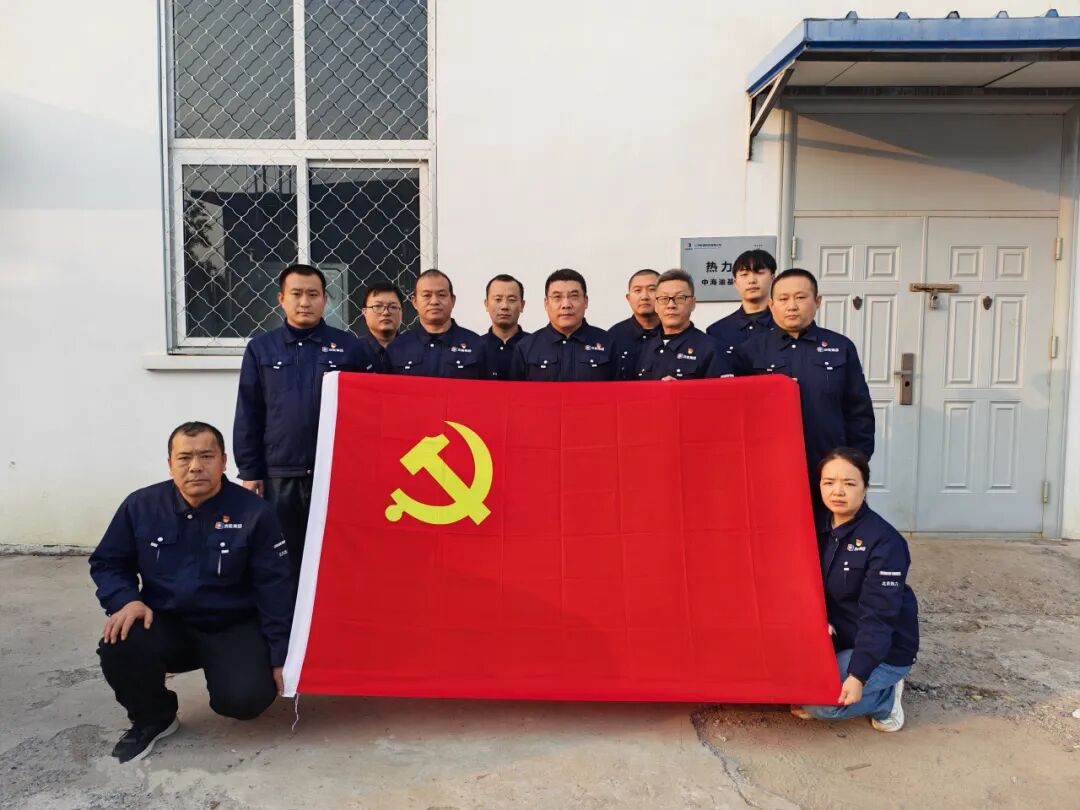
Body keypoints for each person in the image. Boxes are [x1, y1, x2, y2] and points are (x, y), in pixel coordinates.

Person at [90, 422, 295, 763]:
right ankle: (154, 718)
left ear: (224, 461)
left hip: (231, 625)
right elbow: (108, 562)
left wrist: (280, 655)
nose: (196, 466)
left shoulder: (254, 512)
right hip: (165, 621)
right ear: (170, 464)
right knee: (119, 640)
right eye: (184, 457)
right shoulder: (141, 505)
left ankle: (230, 671)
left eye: (206, 456)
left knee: (245, 701)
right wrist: (126, 600)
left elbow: (275, 587)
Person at [233, 263, 373, 571]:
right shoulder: (261, 348)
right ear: (281, 299)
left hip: (335, 472)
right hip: (280, 473)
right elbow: (249, 411)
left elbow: (367, 414)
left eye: (313, 294)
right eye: (296, 294)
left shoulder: (349, 347)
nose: (305, 302)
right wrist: (250, 471)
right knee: (281, 558)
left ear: (325, 299)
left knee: (335, 556)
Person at [733, 268, 874, 522]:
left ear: (817, 301)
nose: (792, 306)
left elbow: (859, 410)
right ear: (771, 305)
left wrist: (855, 462)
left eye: (800, 297)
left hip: (829, 467)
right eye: (784, 299)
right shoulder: (750, 351)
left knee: (830, 531)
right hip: (771, 466)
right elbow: (738, 414)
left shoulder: (840, 347)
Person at [794, 447, 919, 732]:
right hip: (841, 637)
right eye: (829, 482)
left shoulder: (885, 542)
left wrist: (858, 676)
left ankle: (886, 697)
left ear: (865, 488)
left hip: (884, 648)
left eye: (849, 483)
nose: (837, 491)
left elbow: (879, 616)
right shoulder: (815, 529)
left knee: (820, 705)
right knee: (792, 685)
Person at [510, 268, 617, 381]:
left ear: (586, 301)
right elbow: (514, 391)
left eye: (574, 296)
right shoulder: (526, 347)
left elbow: (619, 390)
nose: (566, 305)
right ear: (546, 303)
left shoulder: (608, 343)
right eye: (557, 297)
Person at [387, 268, 489, 378]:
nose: (434, 301)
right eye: (427, 295)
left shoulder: (476, 345)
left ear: (453, 300)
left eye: (441, 295)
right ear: (415, 302)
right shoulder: (397, 346)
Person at [632, 269, 732, 380]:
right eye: (664, 299)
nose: (671, 305)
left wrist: (682, 389)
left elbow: (722, 390)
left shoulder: (711, 348)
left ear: (693, 303)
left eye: (679, 298)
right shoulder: (643, 348)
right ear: (656, 305)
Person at [706, 249, 776, 356]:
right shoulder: (717, 331)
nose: (752, 280)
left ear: (772, 278)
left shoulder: (787, 325)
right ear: (735, 283)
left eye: (759, 272)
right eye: (744, 274)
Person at [608, 269, 660, 378]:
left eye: (652, 289)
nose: (644, 296)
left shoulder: (673, 334)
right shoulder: (614, 336)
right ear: (628, 298)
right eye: (638, 290)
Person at [481, 274, 528, 380]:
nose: (504, 306)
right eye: (498, 299)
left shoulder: (534, 347)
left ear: (522, 305)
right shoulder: (476, 348)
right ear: (486, 304)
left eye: (511, 300)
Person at [360, 281, 405, 373]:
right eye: (377, 306)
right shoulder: (353, 351)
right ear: (364, 312)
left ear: (401, 312)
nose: (386, 312)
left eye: (393, 307)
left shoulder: (415, 349)